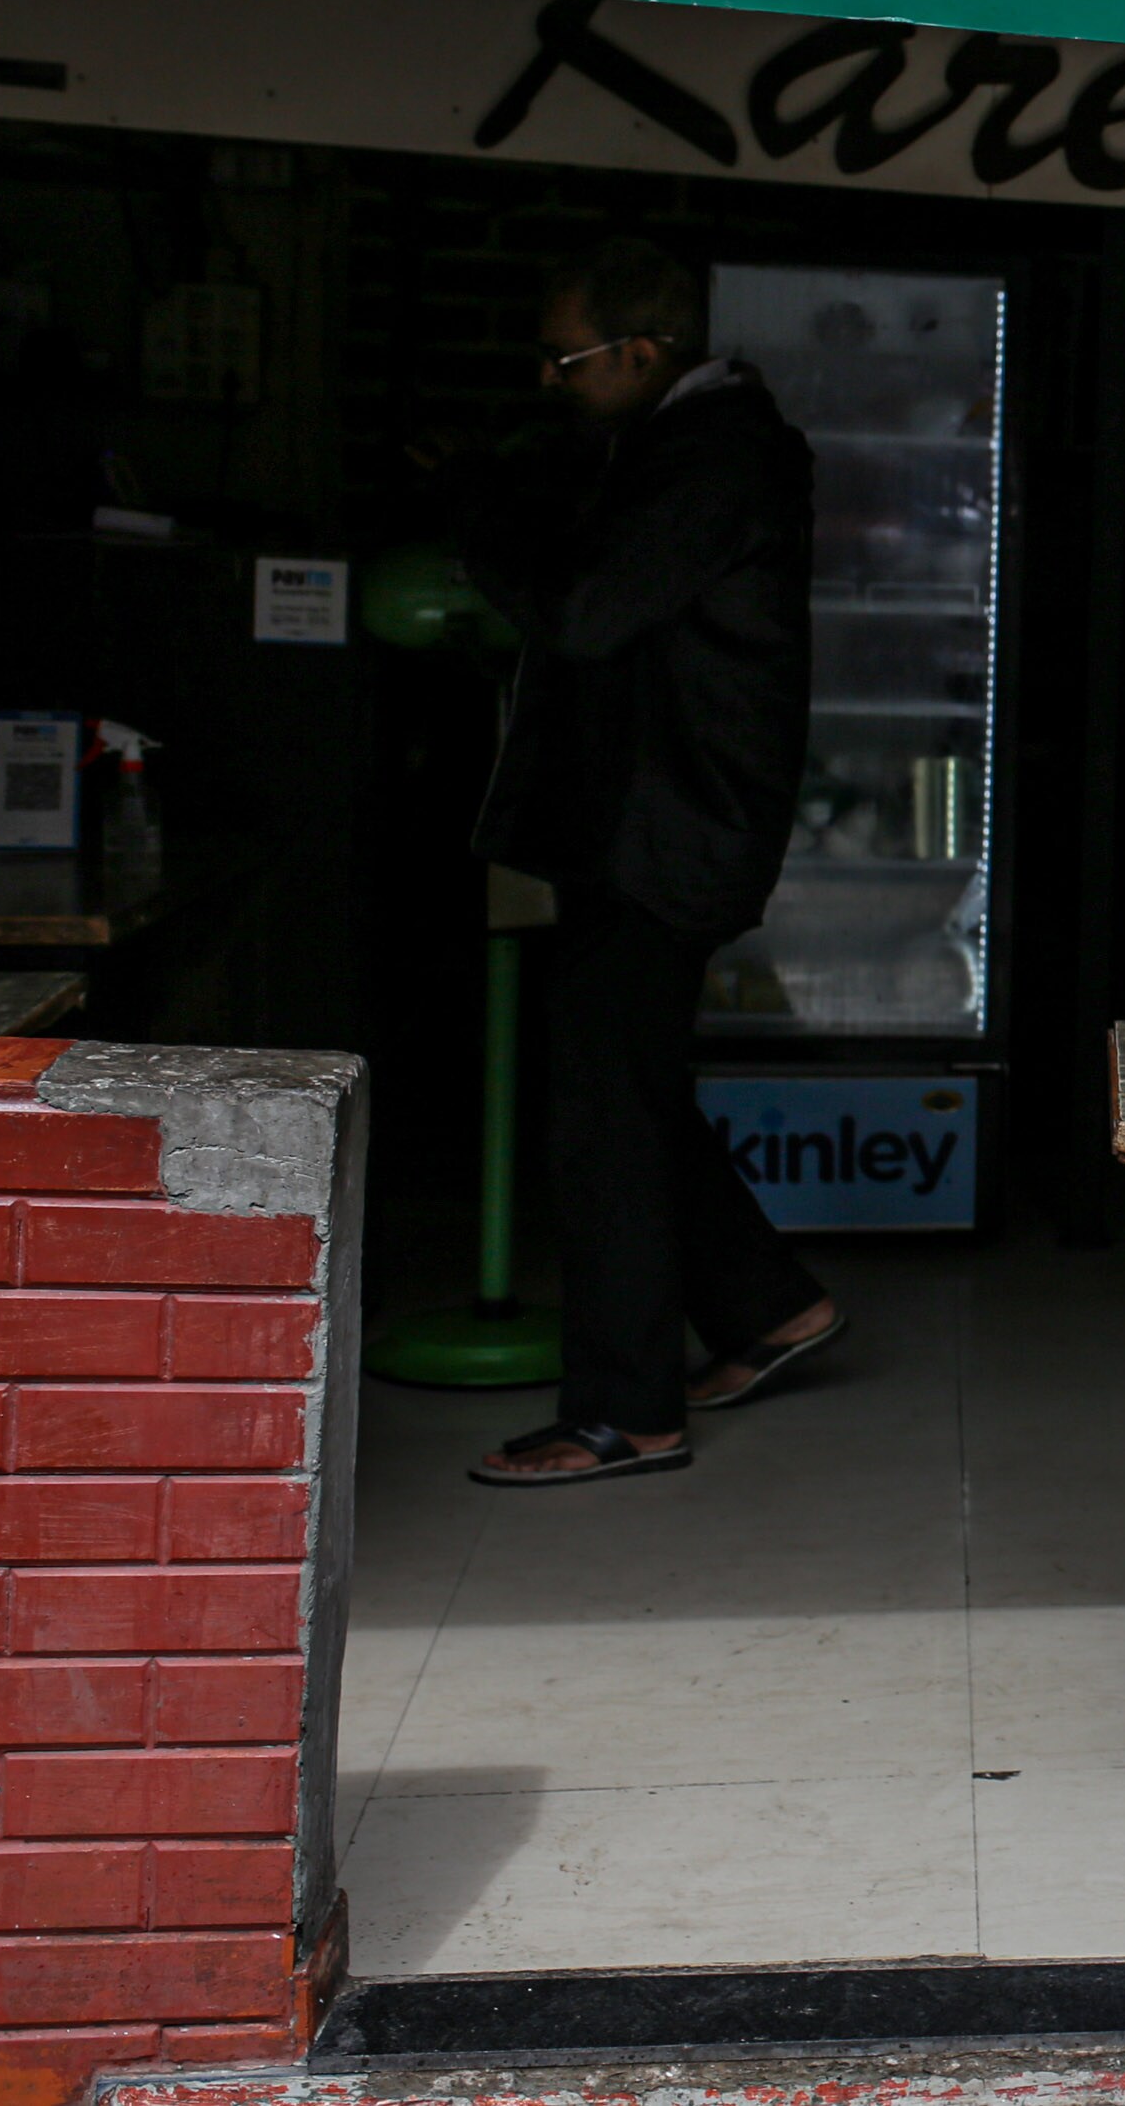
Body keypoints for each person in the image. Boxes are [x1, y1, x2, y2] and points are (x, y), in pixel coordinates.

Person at [460, 241, 841, 1486]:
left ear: (640, 352)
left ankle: (626, 1412)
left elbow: (585, 613)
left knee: (601, 1116)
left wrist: (490, 528)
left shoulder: (713, 455)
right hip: (653, 820)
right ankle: (767, 1306)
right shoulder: (680, 447)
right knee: (627, 1083)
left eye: (565, 358)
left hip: (666, 831)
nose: (549, 377)